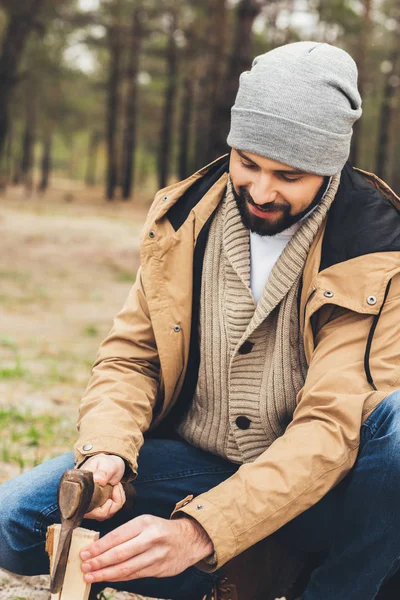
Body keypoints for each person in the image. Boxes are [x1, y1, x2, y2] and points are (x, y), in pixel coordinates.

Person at [1, 41, 400, 600]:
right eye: (248, 163)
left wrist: (199, 532)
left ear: (330, 166)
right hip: (198, 465)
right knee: (13, 521)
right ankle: (257, 570)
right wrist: (109, 450)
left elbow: (331, 429)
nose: (261, 191)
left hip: (322, 490)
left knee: (398, 426)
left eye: (288, 175)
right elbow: (130, 357)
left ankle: (336, 583)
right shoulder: (184, 220)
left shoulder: (375, 250)